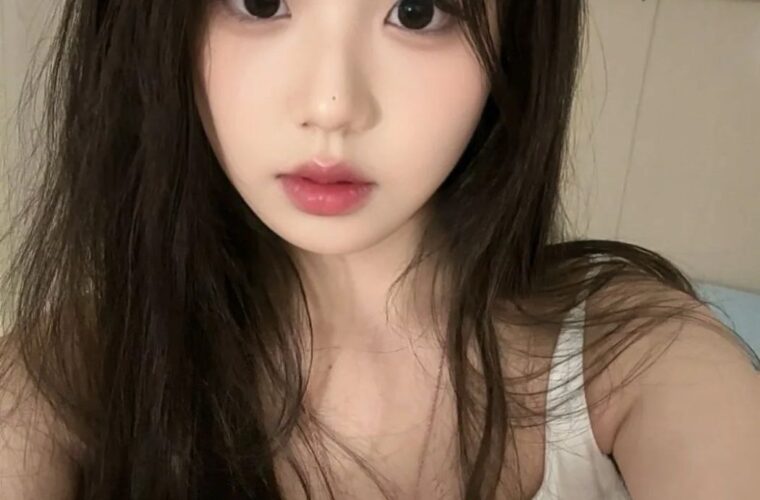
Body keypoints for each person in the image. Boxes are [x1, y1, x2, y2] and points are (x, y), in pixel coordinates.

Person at [0, 0, 758, 498]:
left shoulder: (640, 362)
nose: (333, 104)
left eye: (418, 11)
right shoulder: (65, 378)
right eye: (260, 2)